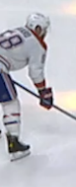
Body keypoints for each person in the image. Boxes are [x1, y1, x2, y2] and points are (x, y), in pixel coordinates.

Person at [0, 14, 53, 161]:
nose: (45, 33)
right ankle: (14, 145)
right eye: (44, 29)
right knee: (10, 103)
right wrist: (43, 92)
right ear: (37, 28)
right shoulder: (37, 44)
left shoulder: (19, 31)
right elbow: (35, 72)